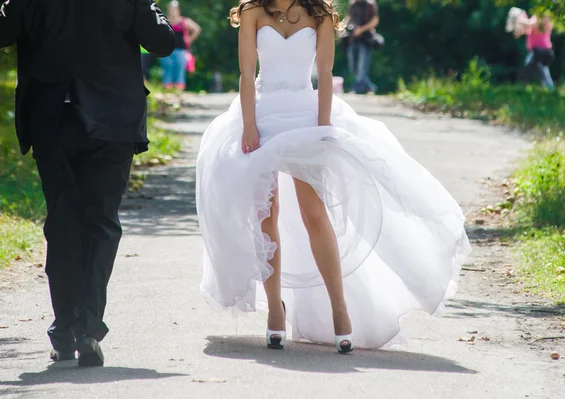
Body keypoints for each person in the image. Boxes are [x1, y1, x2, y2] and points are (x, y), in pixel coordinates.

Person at [195, 0, 471, 352]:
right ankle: (275, 310)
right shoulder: (252, 12)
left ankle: (339, 307)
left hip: (305, 114)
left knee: (314, 213)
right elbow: (247, 74)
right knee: (267, 213)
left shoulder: (320, 15)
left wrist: (323, 128)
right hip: (262, 116)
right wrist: (250, 126)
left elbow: (324, 75)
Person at [0, 0, 174, 366]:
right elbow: (162, 41)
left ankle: (65, 329)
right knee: (102, 223)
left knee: (62, 223)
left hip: (52, 118)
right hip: (113, 119)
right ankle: (87, 328)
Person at [506, 8, 555, 90]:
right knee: (543, 70)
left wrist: (517, 18)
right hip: (540, 52)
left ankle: (522, 87)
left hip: (541, 51)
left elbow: (530, 24)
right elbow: (523, 32)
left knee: (527, 69)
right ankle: (549, 88)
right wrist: (516, 26)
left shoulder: (541, 18)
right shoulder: (535, 17)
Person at [160, 1, 201, 90]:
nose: (173, 11)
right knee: (168, 70)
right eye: (171, 9)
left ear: (178, 10)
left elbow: (197, 29)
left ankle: (178, 92)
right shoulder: (164, 20)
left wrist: (189, 39)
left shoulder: (184, 21)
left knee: (180, 71)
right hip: (167, 51)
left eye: (174, 9)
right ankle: (168, 91)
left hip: (181, 51)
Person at [342, 0, 380, 94]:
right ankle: (370, 87)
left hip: (366, 40)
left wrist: (361, 29)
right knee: (353, 67)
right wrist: (341, 30)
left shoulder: (370, 4)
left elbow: (375, 21)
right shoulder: (352, 4)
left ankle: (356, 89)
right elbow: (348, 18)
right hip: (353, 39)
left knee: (362, 66)